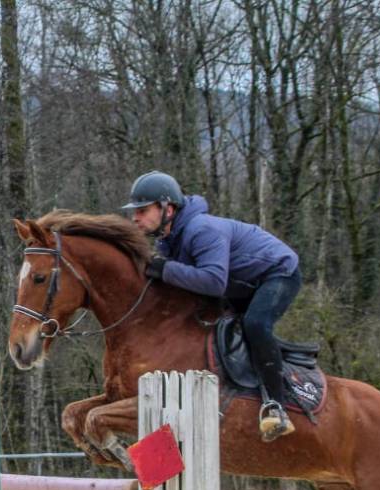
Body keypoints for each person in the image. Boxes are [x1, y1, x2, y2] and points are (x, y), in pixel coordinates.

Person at [123, 170, 302, 442]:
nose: (135, 217)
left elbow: (214, 281)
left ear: (167, 208)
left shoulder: (201, 229)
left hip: (278, 273)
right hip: (241, 282)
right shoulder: (169, 240)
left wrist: (166, 269)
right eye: (134, 211)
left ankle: (275, 405)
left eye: (142, 210)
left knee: (255, 324)